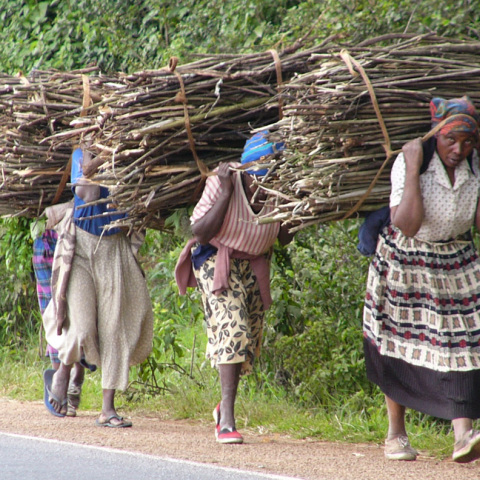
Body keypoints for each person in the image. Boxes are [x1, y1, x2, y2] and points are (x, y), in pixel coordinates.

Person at [363, 96, 480, 463]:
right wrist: (413, 167)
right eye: (451, 140)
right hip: (406, 261)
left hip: (456, 261)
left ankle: (463, 436)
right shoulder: (412, 163)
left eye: (467, 141)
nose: (459, 149)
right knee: (397, 343)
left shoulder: (475, 165)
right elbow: (408, 224)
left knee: (464, 344)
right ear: (435, 136)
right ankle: (395, 435)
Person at [175, 130, 294, 444]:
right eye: (257, 177)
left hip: (254, 262)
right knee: (234, 328)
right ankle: (226, 419)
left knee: (247, 343)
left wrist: (292, 204)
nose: (261, 185)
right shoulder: (222, 180)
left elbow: (285, 237)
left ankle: (222, 408)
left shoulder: (280, 188)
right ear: (245, 170)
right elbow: (200, 232)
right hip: (217, 256)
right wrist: (227, 192)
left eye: (267, 177)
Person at [42, 145, 153, 427]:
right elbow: (88, 194)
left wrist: (119, 158)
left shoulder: (129, 153)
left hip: (113, 247)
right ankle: (63, 371)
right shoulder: (82, 155)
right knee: (81, 325)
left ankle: (107, 409)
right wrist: (97, 159)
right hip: (78, 247)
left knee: (115, 326)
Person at [32, 207, 86, 418]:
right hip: (47, 241)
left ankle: (76, 376)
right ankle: (59, 379)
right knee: (54, 313)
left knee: (82, 311)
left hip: (81, 237)